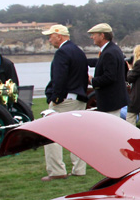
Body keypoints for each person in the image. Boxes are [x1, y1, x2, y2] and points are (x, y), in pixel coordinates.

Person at [41, 24, 89, 181]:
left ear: (59, 36)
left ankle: (56, 171)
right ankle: (79, 169)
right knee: (77, 135)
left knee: (50, 134)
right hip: (78, 98)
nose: (49, 39)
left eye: (50, 36)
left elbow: (59, 78)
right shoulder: (78, 51)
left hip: (65, 99)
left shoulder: (62, 52)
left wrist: (55, 99)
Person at [87, 22, 128, 117]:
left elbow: (110, 77)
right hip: (114, 100)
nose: (91, 37)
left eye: (93, 34)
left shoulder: (109, 53)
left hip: (110, 101)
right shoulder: (112, 50)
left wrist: (91, 80)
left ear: (102, 35)